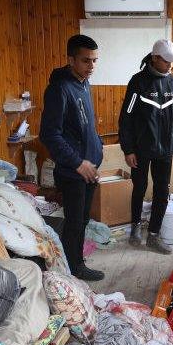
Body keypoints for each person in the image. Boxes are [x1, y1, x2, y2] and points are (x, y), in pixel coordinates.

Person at [40, 34, 105, 281]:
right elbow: (50, 135)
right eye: (86, 61)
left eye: (95, 61)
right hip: (73, 171)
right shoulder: (59, 90)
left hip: (89, 168)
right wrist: (78, 163)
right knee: (74, 223)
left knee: (83, 220)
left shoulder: (83, 82)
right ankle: (73, 270)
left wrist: (97, 145)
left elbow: (84, 124)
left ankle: (76, 261)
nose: (92, 67)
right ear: (70, 60)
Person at [118, 39, 173, 254]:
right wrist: (128, 149)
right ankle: (135, 227)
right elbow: (126, 118)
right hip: (140, 149)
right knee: (139, 188)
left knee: (161, 192)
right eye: (167, 61)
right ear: (155, 58)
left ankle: (154, 236)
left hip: (165, 150)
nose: (171, 65)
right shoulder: (138, 82)